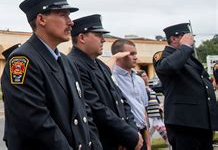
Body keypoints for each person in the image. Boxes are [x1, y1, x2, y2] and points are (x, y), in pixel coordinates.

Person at [1, 0, 102, 150]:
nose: (71, 22)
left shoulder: (66, 62)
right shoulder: (23, 60)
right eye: (63, 15)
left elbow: (84, 113)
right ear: (41, 19)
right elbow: (36, 123)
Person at [68, 14, 143, 150]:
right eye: (98, 35)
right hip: (102, 142)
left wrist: (132, 132)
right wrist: (127, 136)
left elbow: (121, 100)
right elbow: (96, 108)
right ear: (82, 37)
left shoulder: (100, 65)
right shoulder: (73, 64)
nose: (103, 40)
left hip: (121, 140)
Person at [153, 23, 218, 150]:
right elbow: (169, 67)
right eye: (188, 37)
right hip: (184, 124)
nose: (192, 41)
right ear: (174, 38)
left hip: (201, 124)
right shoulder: (164, 56)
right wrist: (185, 47)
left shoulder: (188, 57)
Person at [110, 39, 150, 150]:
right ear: (119, 55)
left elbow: (143, 110)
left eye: (135, 53)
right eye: (131, 54)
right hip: (125, 134)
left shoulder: (139, 80)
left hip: (141, 133)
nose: (135, 57)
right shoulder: (111, 78)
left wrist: (148, 143)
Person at [136, 70, 170, 150]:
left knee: (167, 136)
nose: (145, 78)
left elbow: (155, 99)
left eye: (146, 76)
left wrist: (160, 105)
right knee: (146, 139)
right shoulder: (140, 89)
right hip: (148, 118)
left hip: (156, 117)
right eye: (143, 76)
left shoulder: (150, 88)